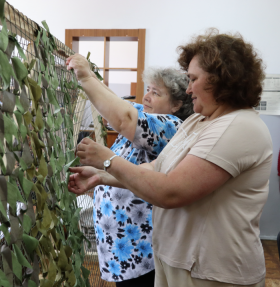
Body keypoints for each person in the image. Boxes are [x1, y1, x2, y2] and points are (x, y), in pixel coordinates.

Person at [67, 28, 271, 287]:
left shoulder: (238, 127)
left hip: (215, 274)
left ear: (220, 80)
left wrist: (108, 160)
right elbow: (156, 169)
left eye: (194, 79)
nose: (188, 89)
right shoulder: (199, 121)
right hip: (178, 265)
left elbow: (170, 191)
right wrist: (102, 175)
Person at [67, 55, 193, 285]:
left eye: (156, 93)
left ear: (177, 104)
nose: (146, 96)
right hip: (122, 250)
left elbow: (124, 118)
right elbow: (118, 107)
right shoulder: (143, 121)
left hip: (141, 251)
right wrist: (99, 177)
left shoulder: (171, 126)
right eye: (148, 89)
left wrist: (86, 76)